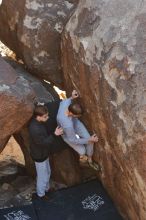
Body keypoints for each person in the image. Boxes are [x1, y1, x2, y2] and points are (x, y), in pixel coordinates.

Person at [57, 90, 100, 170]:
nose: (79, 116)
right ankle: (83, 159)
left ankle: (90, 160)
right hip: (67, 134)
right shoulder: (67, 125)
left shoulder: (66, 104)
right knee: (82, 151)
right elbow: (73, 140)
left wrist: (72, 97)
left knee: (90, 140)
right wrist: (89, 139)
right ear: (71, 113)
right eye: (78, 115)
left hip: (74, 122)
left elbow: (65, 101)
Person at [28, 103, 63, 200]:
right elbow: (42, 143)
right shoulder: (35, 129)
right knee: (42, 176)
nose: (47, 118)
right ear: (38, 117)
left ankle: (46, 189)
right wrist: (55, 134)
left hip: (43, 153)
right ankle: (41, 194)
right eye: (45, 117)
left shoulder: (38, 121)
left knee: (47, 172)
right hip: (39, 155)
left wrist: (40, 105)